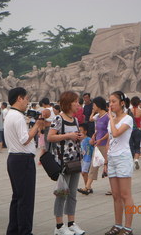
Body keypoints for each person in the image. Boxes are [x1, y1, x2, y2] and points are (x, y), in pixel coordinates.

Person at [4, 87, 44, 235]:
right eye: (26, 99)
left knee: (17, 197)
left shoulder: (10, 114)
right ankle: (25, 231)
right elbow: (25, 139)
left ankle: (13, 230)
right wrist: (37, 126)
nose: (27, 102)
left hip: (14, 159)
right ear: (19, 98)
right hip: (23, 160)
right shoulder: (18, 116)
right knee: (26, 199)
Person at [48, 91, 85, 235]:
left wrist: (79, 137)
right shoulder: (58, 119)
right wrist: (68, 135)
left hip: (75, 161)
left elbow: (73, 138)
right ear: (68, 103)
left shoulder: (75, 120)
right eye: (75, 101)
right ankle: (58, 226)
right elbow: (50, 137)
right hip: (63, 162)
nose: (78, 104)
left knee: (72, 194)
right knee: (62, 193)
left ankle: (71, 223)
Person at [104, 91, 134, 235]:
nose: (111, 104)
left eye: (114, 101)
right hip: (112, 158)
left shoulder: (127, 119)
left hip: (123, 157)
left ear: (122, 103)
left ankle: (127, 228)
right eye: (109, 102)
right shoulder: (113, 119)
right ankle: (117, 224)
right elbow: (110, 137)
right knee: (115, 194)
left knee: (125, 194)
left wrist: (111, 118)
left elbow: (116, 133)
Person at [78, 96, 109, 195]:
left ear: (99, 105)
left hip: (105, 145)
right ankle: (87, 187)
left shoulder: (107, 117)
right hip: (98, 145)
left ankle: (114, 188)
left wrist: (101, 139)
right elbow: (92, 121)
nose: (93, 106)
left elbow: (110, 132)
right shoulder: (98, 116)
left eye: (94, 105)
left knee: (109, 166)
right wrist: (95, 136)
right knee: (93, 166)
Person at [130, 96, 141, 170]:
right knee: (137, 146)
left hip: (130, 130)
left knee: (130, 146)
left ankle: (131, 160)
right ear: (139, 103)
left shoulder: (129, 111)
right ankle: (136, 159)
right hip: (138, 129)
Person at [79, 123, 94, 187]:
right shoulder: (79, 139)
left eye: (81, 130)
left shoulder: (88, 139)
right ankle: (87, 186)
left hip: (87, 158)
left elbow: (93, 145)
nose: (79, 132)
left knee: (84, 172)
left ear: (85, 131)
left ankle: (87, 187)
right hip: (82, 158)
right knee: (84, 173)